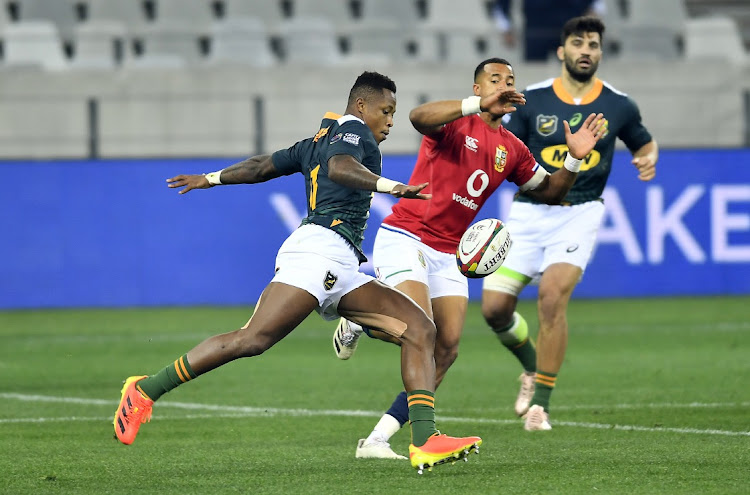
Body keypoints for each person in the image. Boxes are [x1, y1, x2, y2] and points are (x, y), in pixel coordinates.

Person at [112, 71, 483, 473]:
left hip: (342, 263)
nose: (390, 121)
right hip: (317, 252)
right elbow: (341, 167)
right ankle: (145, 390)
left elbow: (261, 166)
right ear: (361, 106)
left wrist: (212, 178)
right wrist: (390, 186)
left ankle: (425, 440)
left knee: (421, 330)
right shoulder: (354, 134)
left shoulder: (317, 141)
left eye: (393, 113)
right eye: (386, 110)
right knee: (252, 340)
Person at [331, 59, 606, 459]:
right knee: (418, 329)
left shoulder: (512, 148)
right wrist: (472, 106)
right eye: (495, 80)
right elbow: (417, 116)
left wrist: (574, 159)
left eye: (510, 80)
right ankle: (358, 318)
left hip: (449, 252)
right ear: (478, 89)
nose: (504, 85)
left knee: (447, 347)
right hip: (407, 236)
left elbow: (550, 192)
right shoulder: (455, 122)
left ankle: (376, 440)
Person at [481, 16, 659, 431]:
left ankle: (541, 403)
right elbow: (503, 148)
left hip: (579, 213)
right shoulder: (533, 100)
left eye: (593, 44)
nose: (586, 50)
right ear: (562, 51)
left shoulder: (618, 104)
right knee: (493, 310)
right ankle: (530, 366)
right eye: (578, 43)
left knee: (551, 297)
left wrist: (649, 156)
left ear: (600, 52)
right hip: (527, 213)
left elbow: (642, 140)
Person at [492, 0, 605, 61]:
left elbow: (596, 4)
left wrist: (593, 14)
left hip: (571, 28)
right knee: (534, 81)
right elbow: (501, 4)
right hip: (536, 30)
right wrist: (505, 28)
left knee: (575, 78)